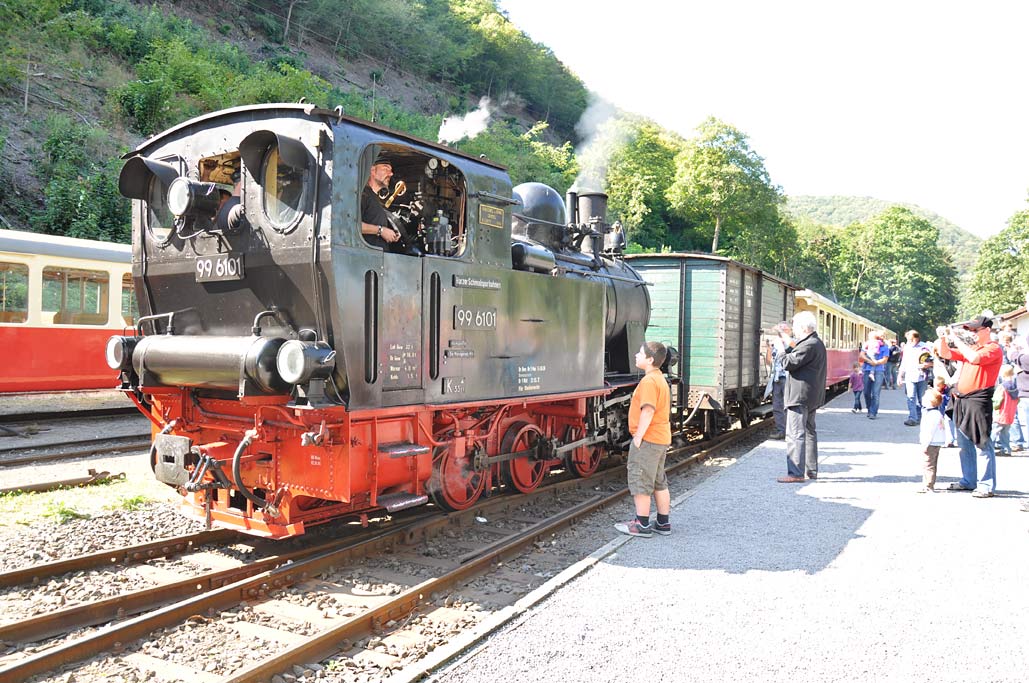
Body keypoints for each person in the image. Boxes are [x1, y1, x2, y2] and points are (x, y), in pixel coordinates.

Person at [936, 315, 1004, 497]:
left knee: (982, 443)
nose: (971, 333)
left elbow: (974, 358)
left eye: (975, 330)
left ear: (987, 330)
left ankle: (986, 485)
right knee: (964, 443)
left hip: (978, 401)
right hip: (962, 400)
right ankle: (969, 480)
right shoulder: (972, 348)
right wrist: (943, 338)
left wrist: (956, 338)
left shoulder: (993, 348)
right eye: (970, 330)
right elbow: (946, 354)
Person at [615, 341, 672, 537]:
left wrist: (638, 437)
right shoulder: (660, 379)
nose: (636, 355)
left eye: (640, 353)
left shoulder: (648, 381)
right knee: (658, 481)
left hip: (649, 438)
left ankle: (642, 524)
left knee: (641, 481)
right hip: (661, 437)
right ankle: (663, 523)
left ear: (649, 359)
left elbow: (648, 410)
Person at [776, 310, 827, 483]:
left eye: (796, 327)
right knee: (809, 432)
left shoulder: (809, 344)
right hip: (810, 396)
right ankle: (811, 470)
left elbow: (788, 363)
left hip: (800, 396)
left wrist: (780, 350)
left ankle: (796, 473)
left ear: (803, 327)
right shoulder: (815, 342)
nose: (795, 330)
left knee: (795, 434)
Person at [361, 153, 403, 249]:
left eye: (391, 170)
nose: (391, 173)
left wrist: (391, 232)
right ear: (372, 170)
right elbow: (351, 224)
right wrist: (381, 230)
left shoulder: (375, 199)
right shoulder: (363, 194)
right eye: (385, 168)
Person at [765, 321, 793, 439]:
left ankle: (789, 432)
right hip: (777, 379)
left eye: (784, 330)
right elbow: (769, 362)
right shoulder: (776, 343)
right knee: (777, 406)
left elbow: (793, 350)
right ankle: (781, 430)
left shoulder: (793, 343)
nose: (781, 333)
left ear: (789, 331)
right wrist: (769, 349)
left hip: (788, 379)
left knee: (788, 406)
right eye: (780, 330)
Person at [899, 330, 933, 426]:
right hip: (910, 375)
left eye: (910, 340)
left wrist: (927, 365)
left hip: (922, 376)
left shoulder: (925, 347)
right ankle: (912, 418)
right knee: (911, 397)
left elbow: (934, 360)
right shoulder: (907, 347)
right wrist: (900, 375)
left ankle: (922, 417)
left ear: (916, 338)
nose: (909, 342)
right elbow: (904, 362)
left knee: (922, 398)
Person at [859, 331, 889, 419]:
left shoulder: (884, 347)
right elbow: (861, 355)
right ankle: (869, 409)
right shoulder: (867, 344)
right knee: (866, 392)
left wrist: (876, 363)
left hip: (879, 371)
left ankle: (873, 412)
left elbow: (885, 359)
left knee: (875, 393)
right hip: (867, 370)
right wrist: (870, 361)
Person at [992, 364, 1018, 457]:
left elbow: (997, 400)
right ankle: (1006, 449)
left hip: (1001, 413)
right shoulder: (1015, 386)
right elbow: (1017, 400)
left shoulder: (1002, 386)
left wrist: (994, 407)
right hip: (1010, 413)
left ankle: (989, 448)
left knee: (994, 430)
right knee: (1005, 432)